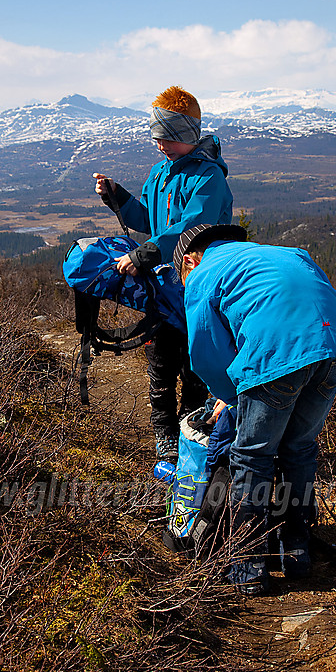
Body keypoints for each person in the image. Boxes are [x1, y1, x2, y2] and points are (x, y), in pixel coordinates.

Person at [173, 223, 336, 596]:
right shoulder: (288, 253)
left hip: (279, 354)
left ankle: (247, 565)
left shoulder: (204, 273)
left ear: (189, 261)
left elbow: (204, 356)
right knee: (299, 448)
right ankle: (297, 553)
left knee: (252, 458)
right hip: (332, 346)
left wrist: (229, 396)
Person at [94, 86, 233, 460]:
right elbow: (148, 221)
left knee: (195, 364)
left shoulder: (208, 178)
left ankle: (190, 430)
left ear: (188, 135)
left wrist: (147, 252)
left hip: (198, 284)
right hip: (163, 285)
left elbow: (196, 226)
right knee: (160, 363)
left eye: (168, 139)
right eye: (158, 139)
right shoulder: (159, 173)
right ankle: (165, 435)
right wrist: (118, 196)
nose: (161, 146)